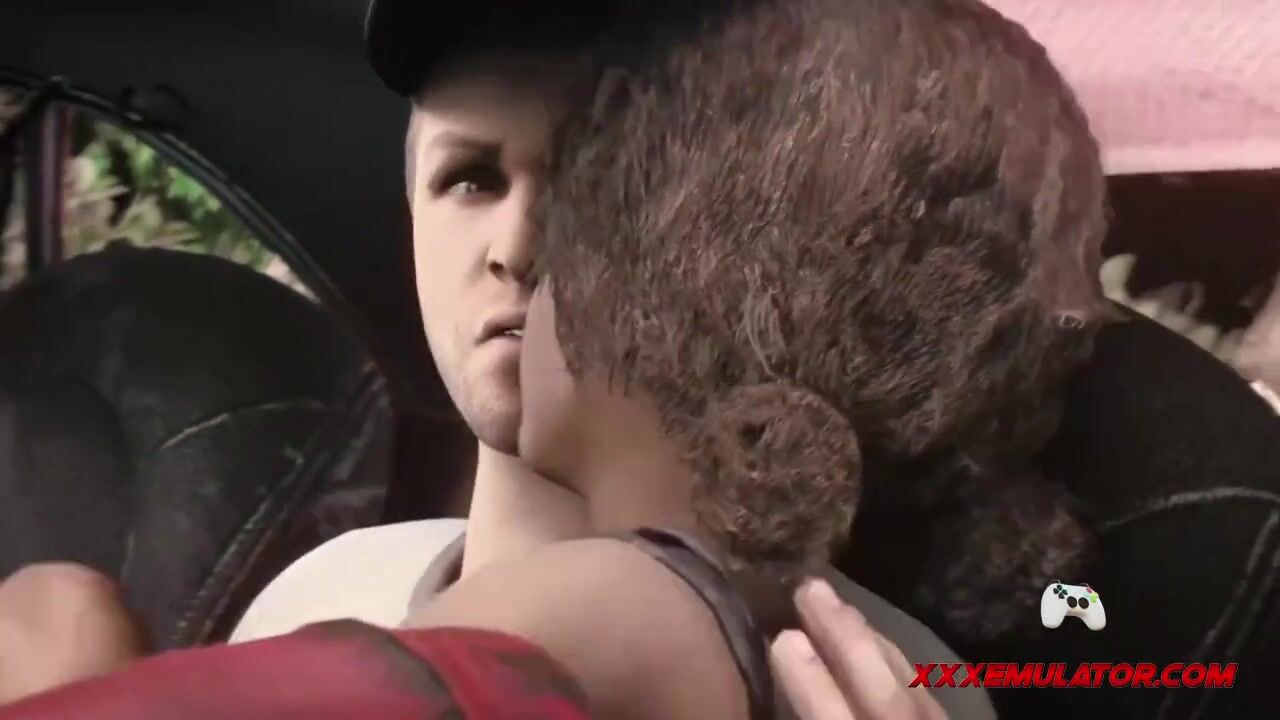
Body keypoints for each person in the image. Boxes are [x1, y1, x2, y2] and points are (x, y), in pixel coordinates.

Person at [1, 0, 1105, 716]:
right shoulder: (327, 587)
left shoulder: (875, 682)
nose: (522, 245)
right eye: (470, 178)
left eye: (597, 183)